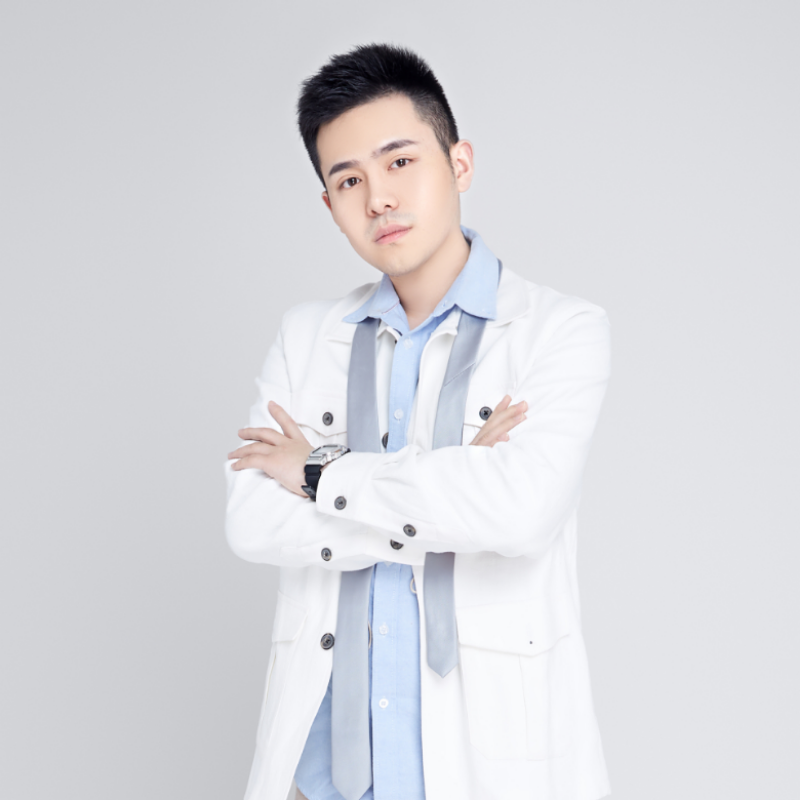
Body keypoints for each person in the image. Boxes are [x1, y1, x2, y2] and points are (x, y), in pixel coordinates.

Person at [225, 43, 612, 800]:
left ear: (459, 164)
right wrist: (454, 486)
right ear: (330, 205)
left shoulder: (561, 330)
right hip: (319, 774)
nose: (378, 198)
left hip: (488, 767)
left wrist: (318, 472)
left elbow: (520, 512)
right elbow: (250, 521)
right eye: (349, 180)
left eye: (400, 162)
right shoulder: (305, 337)